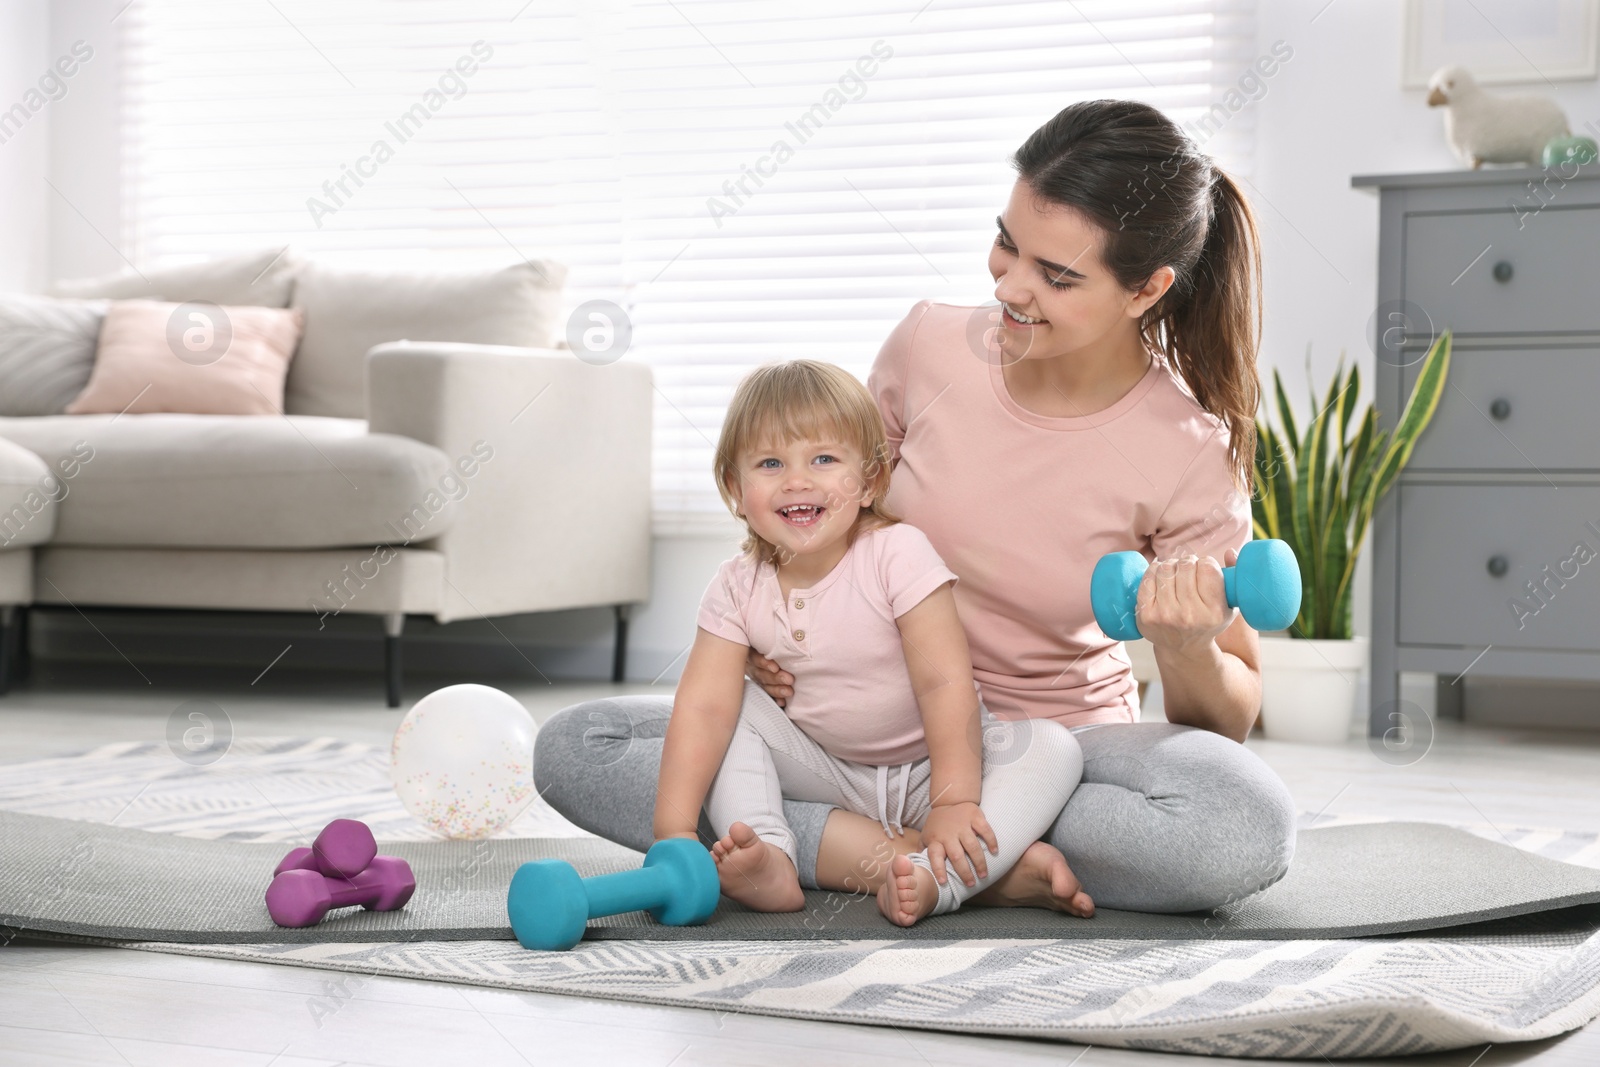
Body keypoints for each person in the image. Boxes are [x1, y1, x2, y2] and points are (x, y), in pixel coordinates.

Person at [535, 98, 1299, 915]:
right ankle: (976, 869)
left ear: (1146, 289)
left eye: (1058, 275)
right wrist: (776, 633)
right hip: (860, 731)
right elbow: (824, 515)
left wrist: (1183, 646)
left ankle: (880, 846)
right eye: (1008, 243)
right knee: (581, 747)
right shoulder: (928, 346)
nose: (1010, 285)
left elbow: (1229, 717)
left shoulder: (1187, 445)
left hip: (1048, 755)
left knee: (1239, 822)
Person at [655, 359, 1091, 925]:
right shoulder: (736, 585)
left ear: (870, 483)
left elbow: (943, 680)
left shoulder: (896, 553)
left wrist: (954, 799)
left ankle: (941, 880)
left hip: (926, 769)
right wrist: (675, 833)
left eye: (824, 459)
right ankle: (771, 856)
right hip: (826, 770)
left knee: (1054, 749)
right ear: (736, 491)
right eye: (770, 463)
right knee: (726, 708)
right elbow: (703, 707)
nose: (796, 480)